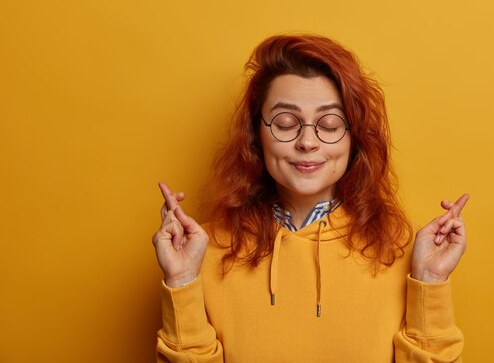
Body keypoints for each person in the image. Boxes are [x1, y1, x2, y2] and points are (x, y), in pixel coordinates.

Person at [152, 34, 469, 363]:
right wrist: (182, 281)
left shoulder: (403, 248)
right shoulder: (204, 250)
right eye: (285, 123)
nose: (307, 142)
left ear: (354, 136)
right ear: (256, 135)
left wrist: (430, 281)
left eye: (329, 124)